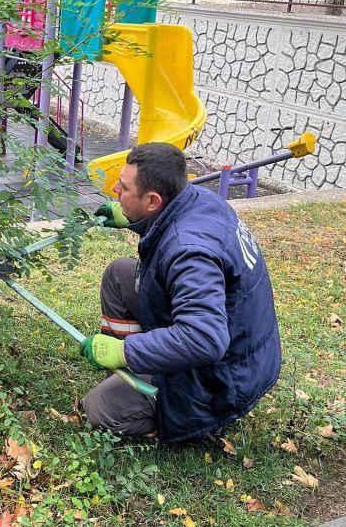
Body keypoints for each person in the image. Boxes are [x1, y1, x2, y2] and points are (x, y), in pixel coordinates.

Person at [80, 142, 281, 445]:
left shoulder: (190, 254)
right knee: (119, 275)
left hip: (222, 377)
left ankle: (180, 421)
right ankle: (127, 374)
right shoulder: (199, 199)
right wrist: (133, 218)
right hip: (238, 341)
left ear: (152, 200)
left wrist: (124, 351)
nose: (115, 193)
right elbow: (168, 221)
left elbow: (204, 339)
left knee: (98, 409)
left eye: (123, 188)